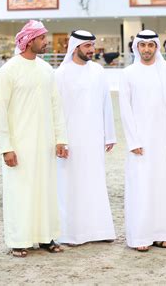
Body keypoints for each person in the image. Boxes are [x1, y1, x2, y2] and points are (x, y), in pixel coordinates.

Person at [0, 20, 69, 257]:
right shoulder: (9, 70)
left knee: (45, 191)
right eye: (42, 38)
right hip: (20, 145)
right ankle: (19, 241)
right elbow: (1, 111)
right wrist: (6, 147)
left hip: (45, 143)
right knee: (20, 192)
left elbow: (56, 106)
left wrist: (60, 139)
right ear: (28, 41)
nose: (46, 42)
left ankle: (46, 238)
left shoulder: (47, 70)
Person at [119, 30, 166, 252]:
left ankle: (162, 234)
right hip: (140, 141)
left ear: (156, 47)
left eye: (151, 45)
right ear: (136, 47)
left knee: (161, 185)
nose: (147, 49)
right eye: (142, 45)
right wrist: (133, 141)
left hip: (162, 138)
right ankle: (140, 237)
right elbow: (125, 110)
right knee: (140, 186)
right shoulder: (128, 73)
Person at [54, 30, 117, 246]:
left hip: (94, 137)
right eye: (87, 46)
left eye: (92, 45)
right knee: (70, 184)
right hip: (70, 139)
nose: (92, 50)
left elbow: (106, 103)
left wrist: (109, 134)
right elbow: (56, 110)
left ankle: (99, 230)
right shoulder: (60, 74)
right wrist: (59, 140)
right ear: (75, 47)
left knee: (94, 182)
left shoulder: (98, 71)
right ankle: (71, 234)